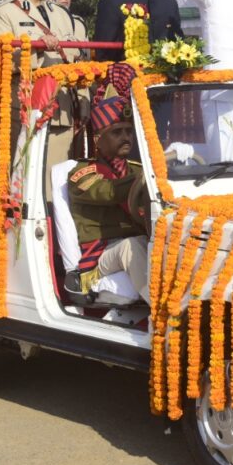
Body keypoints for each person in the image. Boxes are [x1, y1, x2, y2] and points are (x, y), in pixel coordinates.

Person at [0, 0, 81, 166]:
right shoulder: (2, 12)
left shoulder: (61, 13)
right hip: (26, 107)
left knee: (58, 177)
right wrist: (36, 49)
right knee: (24, 175)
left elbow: (76, 57)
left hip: (62, 107)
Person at [67, 85, 151, 303]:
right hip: (101, 253)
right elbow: (108, 192)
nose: (125, 138)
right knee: (130, 247)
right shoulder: (81, 174)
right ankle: (162, 309)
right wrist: (153, 174)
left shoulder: (136, 168)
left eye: (128, 131)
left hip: (140, 239)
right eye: (116, 132)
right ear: (98, 139)